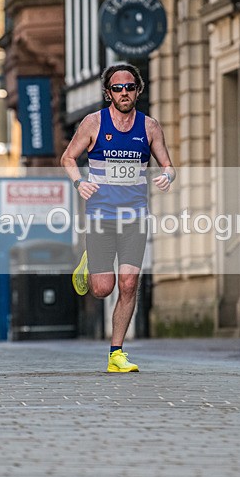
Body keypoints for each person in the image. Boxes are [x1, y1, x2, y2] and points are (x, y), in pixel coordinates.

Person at [61, 63, 175, 373]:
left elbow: (167, 162)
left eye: (129, 87)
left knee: (128, 283)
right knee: (103, 289)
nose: (123, 92)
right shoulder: (93, 123)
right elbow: (68, 158)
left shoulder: (149, 127)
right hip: (101, 214)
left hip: (135, 216)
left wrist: (168, 175)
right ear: (108, 93)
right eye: (117, 88)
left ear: (138, 90)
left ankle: (116, 353)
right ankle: (88, 262)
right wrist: (78, 182)